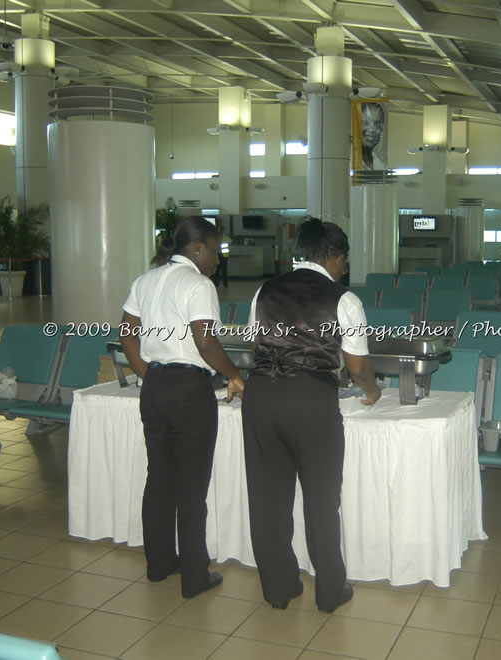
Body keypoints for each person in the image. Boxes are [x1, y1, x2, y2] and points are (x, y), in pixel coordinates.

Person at [241, 218, 381, 612]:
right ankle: (330, 591)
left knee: (267, 498)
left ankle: (279, 588)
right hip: (310, 400)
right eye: (344, 260)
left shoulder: (265, 291)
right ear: (333, 256)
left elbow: (255, 346)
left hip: (260, 396)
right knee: (321, 497)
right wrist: (373, 389)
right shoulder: (344, 299)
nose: (343, 268)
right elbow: (357, 367)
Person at [119, 216, 245, 599]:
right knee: (191, 488)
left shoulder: (145, 280)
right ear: (197, 247)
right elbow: (205, 343)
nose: (218, 260)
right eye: (215, 251)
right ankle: (194, 577)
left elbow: (127, 334)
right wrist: (235, 376)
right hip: (190, 390)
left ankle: (159, 565)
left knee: (159, 480)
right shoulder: (198, 284)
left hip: (155, 387)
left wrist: (150, 373)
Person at [359, 102, 386, 171]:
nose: (372, 129)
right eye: (365, 123)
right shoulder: (349, 162)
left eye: (377, 124)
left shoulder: (380, 165)